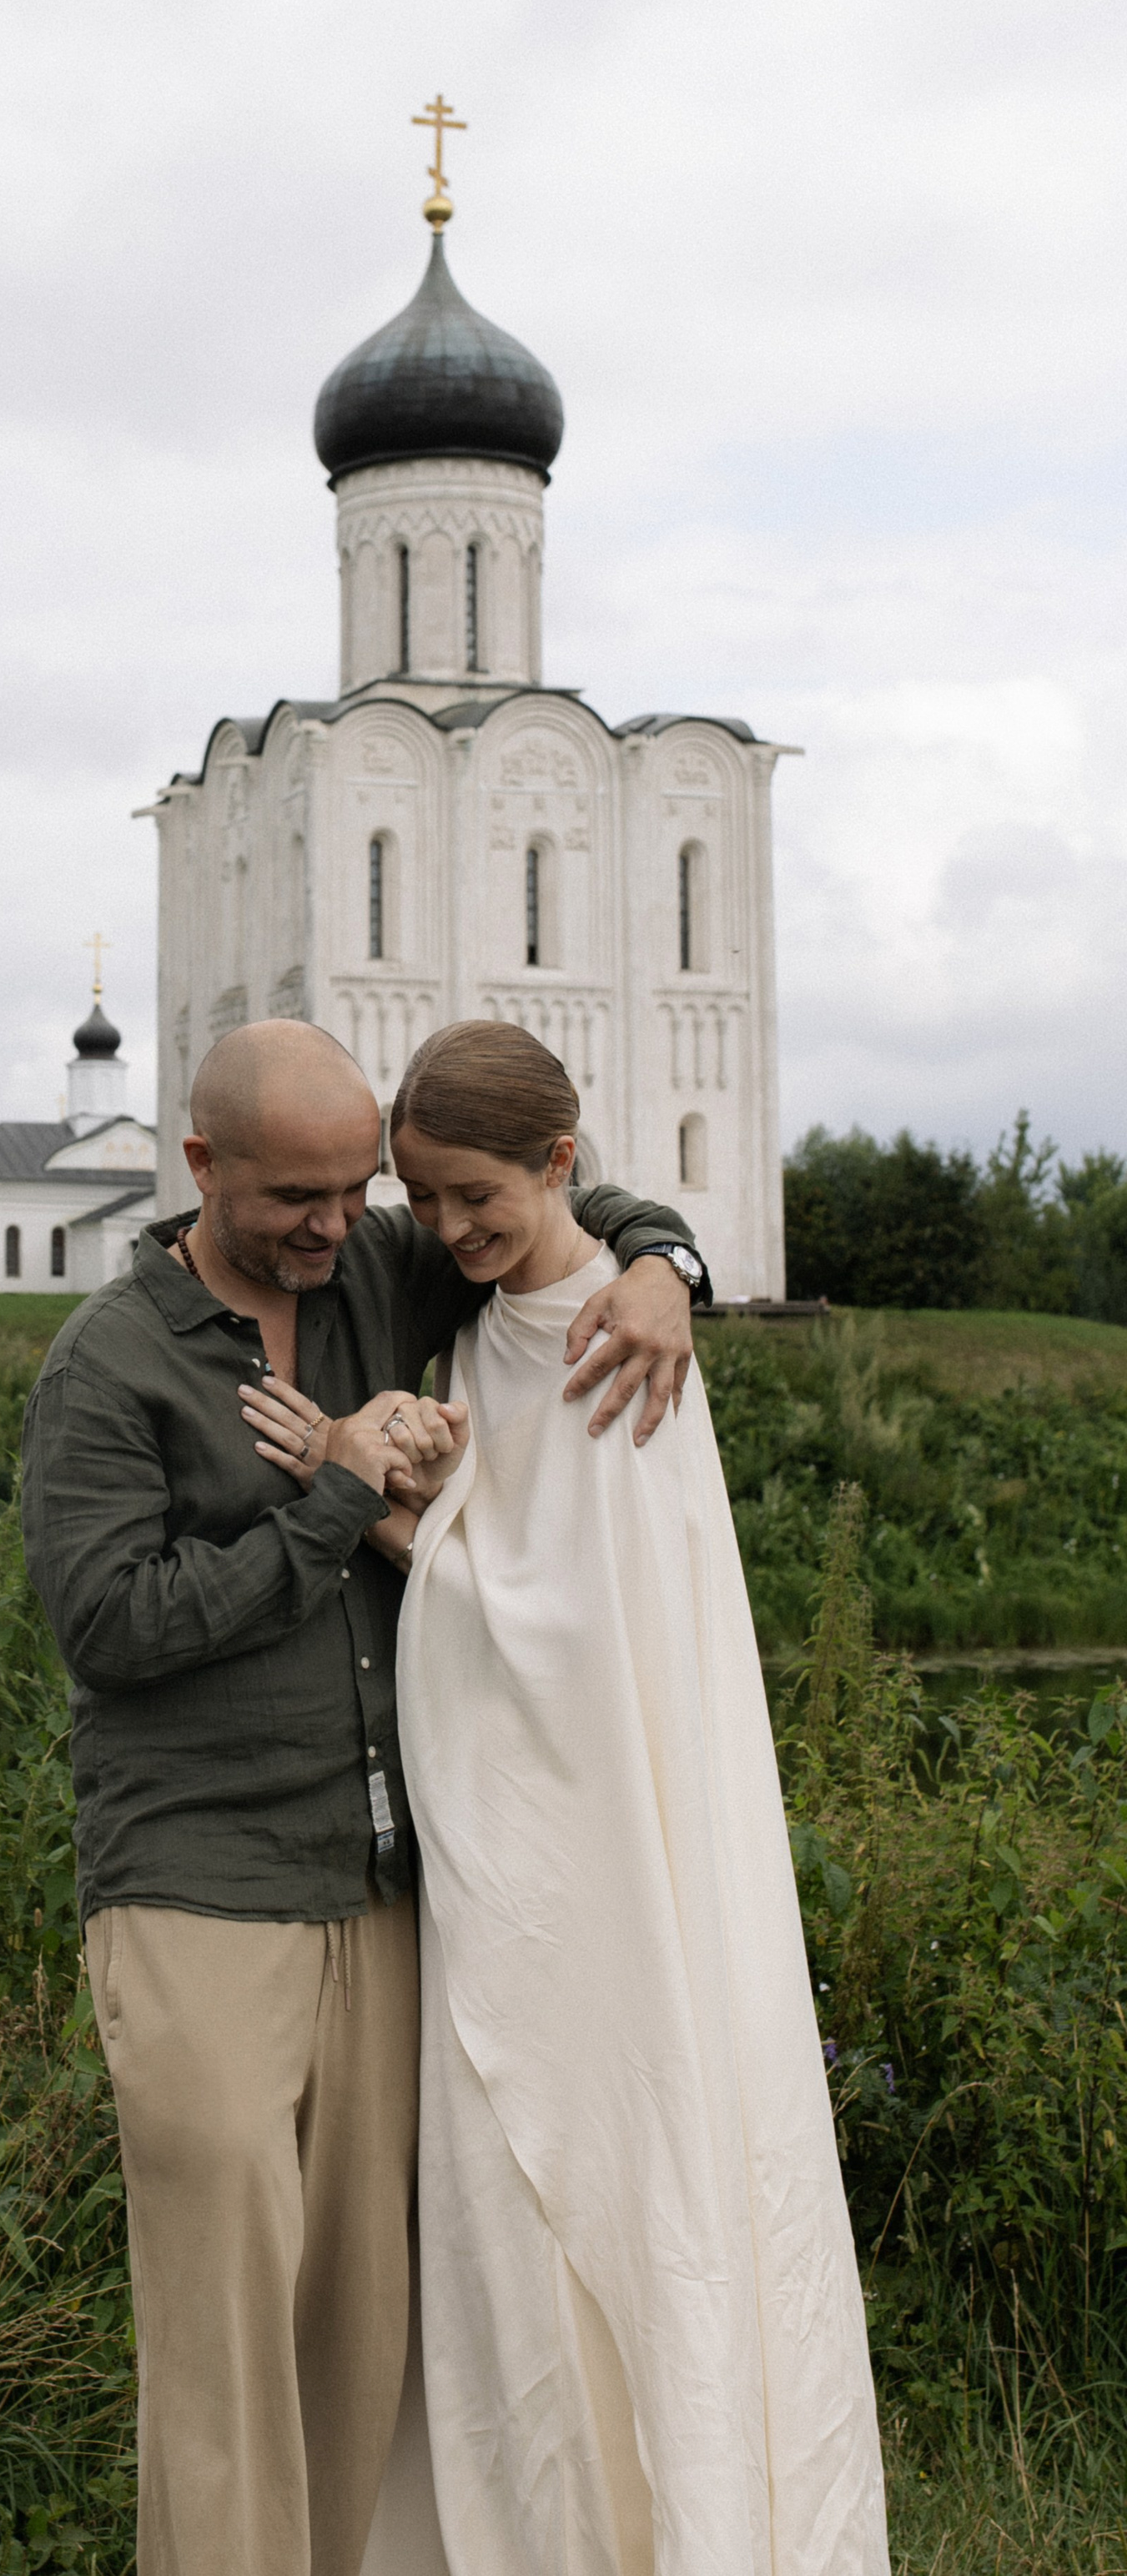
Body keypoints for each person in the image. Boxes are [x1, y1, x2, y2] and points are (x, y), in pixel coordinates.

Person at [18, 1017, 710, 2576]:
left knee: (358, 2337)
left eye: (355, 1190)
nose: (340, 1225)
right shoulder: (108, 1367)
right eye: (297, 1197)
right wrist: (334, 1497)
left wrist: (667, 1267)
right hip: (198, 1887)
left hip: (383, 1884)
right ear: (201, 1167)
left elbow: (555, 1197)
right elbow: (112, 1627)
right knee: (223, 2335)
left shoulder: (374, 1272)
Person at [244, 1019, 888, 2576]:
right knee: (500, 2237)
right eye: (426, 1197)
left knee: (617, 2170)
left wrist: (363, 1502)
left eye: (479, 1194)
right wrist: (407, 1487)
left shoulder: (623, 1333)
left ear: (558, 1161)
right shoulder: (475, 1332)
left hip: (592, 1871)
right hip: (497, 1874)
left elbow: (571, 1641)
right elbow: (517, 1558)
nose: (450, 1227)